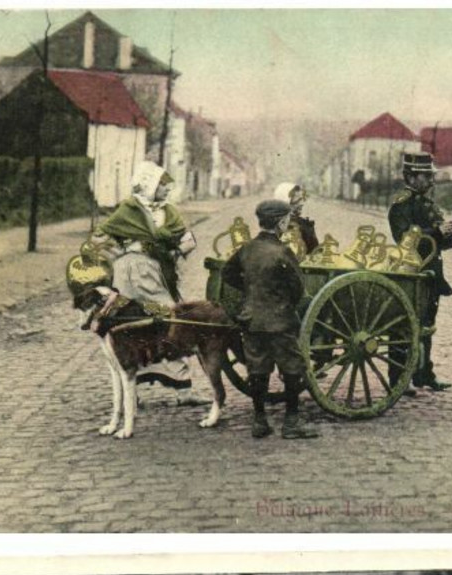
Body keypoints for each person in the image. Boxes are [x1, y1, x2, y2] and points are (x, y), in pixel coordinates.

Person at [220, 199, 319, 440]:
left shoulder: (247, 249)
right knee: (292, 366)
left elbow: (228, 273)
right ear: (282, 222)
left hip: (252, 319)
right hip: (279, 320)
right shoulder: (283, 252)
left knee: (257, 368)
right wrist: (283, 301)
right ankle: (291, 422)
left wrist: (250, 290)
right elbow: (297, 287)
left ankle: (260, 420)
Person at [387, 151, 452, 392]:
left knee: (427, 323)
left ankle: (424, 374)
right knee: (403, 325)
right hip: (410, 272)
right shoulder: (401, 206)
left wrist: (448, 233)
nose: (431, 180)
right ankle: (398, 379)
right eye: (425, 176)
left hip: (431, 272)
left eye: (430, 175)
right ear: (410, 177)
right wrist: (437, 232)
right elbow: (404, 239)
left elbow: (443, 243)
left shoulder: (428, 204)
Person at [94, 162, 195, 305]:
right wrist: (125, 249)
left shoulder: (169, 211)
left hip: (162, 267)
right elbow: (100, 238)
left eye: (167, 185)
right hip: (131, 269)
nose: (167, 189)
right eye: (163, 184)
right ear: (150, 186)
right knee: (129, 307)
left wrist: (176, 252)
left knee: (168, 308)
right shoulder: (129, 209)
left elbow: (187, 238)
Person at [271, 181, 319, 256]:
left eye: (302, 199)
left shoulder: (305, 226)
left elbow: (316, 254)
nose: (301, 204)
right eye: (297, 200)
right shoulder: (271, 226)